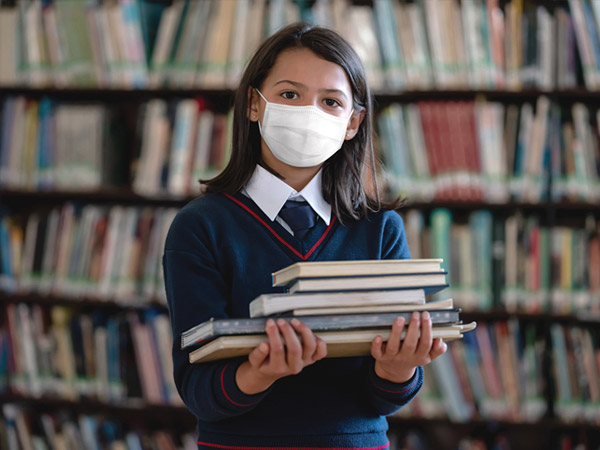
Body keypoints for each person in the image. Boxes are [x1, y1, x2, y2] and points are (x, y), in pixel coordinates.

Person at [163, 22, 447, 449]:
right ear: (254, 105)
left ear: (353, 123)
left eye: (330, 101)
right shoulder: (201, 227)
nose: (309, 112)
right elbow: (197, 388)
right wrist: (262, 371)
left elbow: (384, 399)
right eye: (289, 94)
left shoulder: (381, 230)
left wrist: (398, 369)